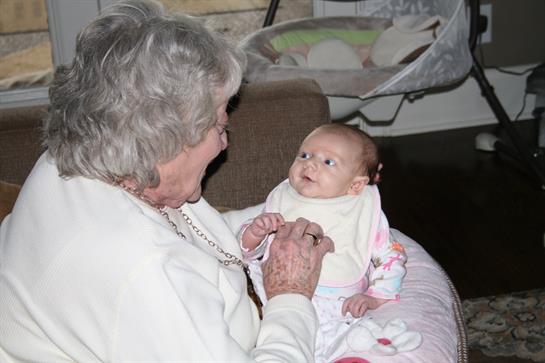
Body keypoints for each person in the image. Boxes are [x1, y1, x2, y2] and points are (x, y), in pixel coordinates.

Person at [0, 1, 334, 361]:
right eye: (220, 125)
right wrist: (290, 296)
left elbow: (189, 238)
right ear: (168, 140)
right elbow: (159, 265)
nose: (225, 141)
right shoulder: (142, 271)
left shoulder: (76, 156)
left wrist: (278, 215)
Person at [239, 124, 407, 357]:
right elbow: (247, 252)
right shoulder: (284, 197)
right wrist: (255, 234)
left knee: (334, 342)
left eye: (329, 162)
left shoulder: (362, 209)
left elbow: (391, 256)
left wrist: (374, 297)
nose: (310, 164)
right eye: (305, 155)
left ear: (356, 184)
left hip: (336, 303)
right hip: (272, 293)